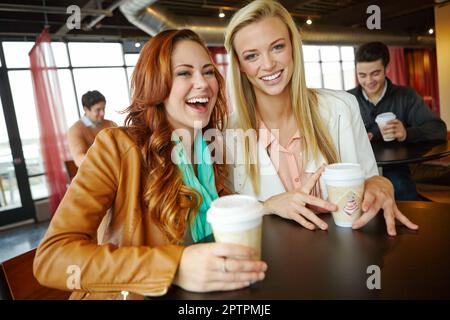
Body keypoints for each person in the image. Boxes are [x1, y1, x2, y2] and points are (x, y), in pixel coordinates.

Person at [34, 29, 266, 300]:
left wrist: (268, 206)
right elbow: (52, 257)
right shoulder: (116, 146)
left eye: (208, 71)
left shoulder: (210, 147)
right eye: (184, 73)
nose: (203, 83)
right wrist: (175, 267)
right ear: (156, 84)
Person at [224, 0, 418, 236]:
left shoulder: (342, 107)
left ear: (294, 47)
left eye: (277, 47)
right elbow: (227, 216)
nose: (268, 64)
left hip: (344, 258)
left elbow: (370, 179)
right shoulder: (227, 134)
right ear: (240, 66)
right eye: (252, 56)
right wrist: (266, 206)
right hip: (270, 264)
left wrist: (381, 184)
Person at [347, 42, 447, 200]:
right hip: (358, 169)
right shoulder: (348, 100)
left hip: (396, 168)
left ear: (387, 69)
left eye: (375, 73)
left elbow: (438, 129)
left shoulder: (406, 96)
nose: (369, 81)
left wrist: (406, 133)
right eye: (362, 75)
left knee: (404, 193)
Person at [67, 90, 117, 167]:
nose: (102, 113)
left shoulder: (111, 124)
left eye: (103, 109)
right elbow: (79, 160)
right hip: (94, 173)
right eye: (98, 110)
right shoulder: (75, 130)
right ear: (86, 109)